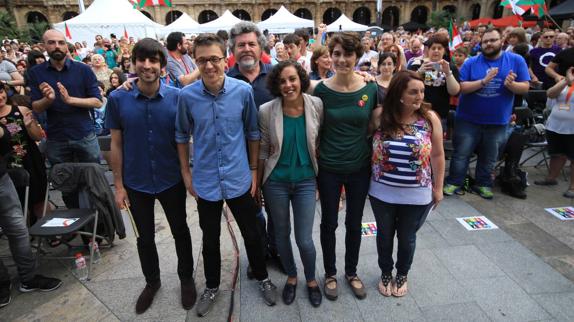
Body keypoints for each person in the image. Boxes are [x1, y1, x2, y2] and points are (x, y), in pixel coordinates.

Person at [175, 34, 277, 317]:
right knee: (210, 238)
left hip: (239, 177)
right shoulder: (187, 96)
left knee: (253, 233)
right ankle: (211, 286)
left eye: (215, 59)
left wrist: (254, 169)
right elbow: (181, 135)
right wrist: (186, 172)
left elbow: (253, 132)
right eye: (202, 60)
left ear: (225, 59)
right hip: (206, 180)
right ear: (196, 62)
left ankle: (262, 277)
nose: (209, 66)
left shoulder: (242, 91)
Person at [106, 38, 196, 314]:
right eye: (141, 60)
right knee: (144, 237)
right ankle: (152, 282)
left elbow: (187, 137)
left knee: (180, 230)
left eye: (153, 60)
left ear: (162, 65)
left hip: (171, 178)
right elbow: (116, 144)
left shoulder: (176, 97)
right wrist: (118, 185)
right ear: (133, 63)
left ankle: (186, 278)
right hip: (136, 182)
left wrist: (187, 173)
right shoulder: (118, 98)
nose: (147, 65)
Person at [313, 32, 378, 301]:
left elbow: (375, 125)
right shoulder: (320, 89)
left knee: (354, 222)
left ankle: (351, 272)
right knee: (328, 222)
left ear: (357, 57)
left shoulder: (370, 88)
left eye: (347, 54)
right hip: (328, 166)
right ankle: (330, 273)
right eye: (336, 54)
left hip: (359, 166)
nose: (341, 60)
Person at [369, 70, 444, 297]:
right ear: (399, 93)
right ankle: (385, 272)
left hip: (417, 194)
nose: (419, 96)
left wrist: (438, 188)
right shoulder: (380, 116)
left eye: (422, 91)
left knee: (407, 237)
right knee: (384, 235)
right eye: (413, 91)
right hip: (381, 192)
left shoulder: (430, 118)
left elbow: (438, 155)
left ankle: (402, 274)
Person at [258, 61, 323, 307]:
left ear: (301, 79)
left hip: (306, 180)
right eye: (282, 81)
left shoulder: (316, 104)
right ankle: (292, 276)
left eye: (292, 79)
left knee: (304, 238)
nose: (288, 85)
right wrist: (258, 183)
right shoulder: (266, 110)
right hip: (275, 182)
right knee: (282, 235)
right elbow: (263, 148)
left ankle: (311, 280)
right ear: (276, 85)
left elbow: (319, 138)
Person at [443, 28, 530, 199]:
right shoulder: (471, 62)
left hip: (498, 120)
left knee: (490, 156)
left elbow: (525, 87)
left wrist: (512, 86)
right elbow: (461, 88)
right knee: (461, 154)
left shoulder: (516, 60)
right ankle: (454, 182)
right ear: (480, 44)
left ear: (501, 41)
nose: (489, 44)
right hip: (468, 119)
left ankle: (483, 184)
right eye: (485, 41)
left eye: (493, 40)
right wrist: (484, 81)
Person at [28, 29, 103, 208]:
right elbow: (35, 106)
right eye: (52, 42)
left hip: (83, 134)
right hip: (56, 137)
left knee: (95, 179)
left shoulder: (82, 70)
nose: (57, 46)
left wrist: (70, 100)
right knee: (66, 184)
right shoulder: (36, 73)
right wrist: (48, 99)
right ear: (44, 46)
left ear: (66, 45)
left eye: (61, 42)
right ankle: (74, 220)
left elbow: (98, 102)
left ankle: (100, 221)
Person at [226, 21, 279, 268]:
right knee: (251, 215)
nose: (246, 49)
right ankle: (258, 255)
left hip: (275, 158)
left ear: (261, 47)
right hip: (242, 161)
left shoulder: (277, 75)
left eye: (251, 44)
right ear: (232, 50)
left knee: (278, 213)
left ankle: (277, 250)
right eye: (240, 45)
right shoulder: (225, 81)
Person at [0, 122, 62, 308]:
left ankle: (28, 277)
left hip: (5, 177)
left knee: (18, 229)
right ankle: (2, 283)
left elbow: (10, 140)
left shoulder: (14, 113)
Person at [0, 84, 47, 224]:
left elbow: (38, 137)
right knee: (16, 205)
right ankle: (26, 234)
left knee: (39, 200)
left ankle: (51, 232)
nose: (0, 96)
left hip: (30, 161)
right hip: (7, 167)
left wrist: (28, 125)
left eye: (1, 92)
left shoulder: (21, 110)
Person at [534, 67, 574, 197]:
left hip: (572, 129)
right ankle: (551, 178)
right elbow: (550, 94)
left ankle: (572, 188)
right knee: (556, 154)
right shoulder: (563, 83)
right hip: (555, 126)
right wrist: (566, 80)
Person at [408, 33, 460, 125]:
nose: (436, 51)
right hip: (417, 113)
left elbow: (454, 92)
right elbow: (406, 85)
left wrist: (448, 73)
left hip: (440, 114)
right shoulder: (417, 64)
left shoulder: (450, 67)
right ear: (428, 50)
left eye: (439, 48)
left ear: (444, 51)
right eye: (433, 48)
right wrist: (420, 72)